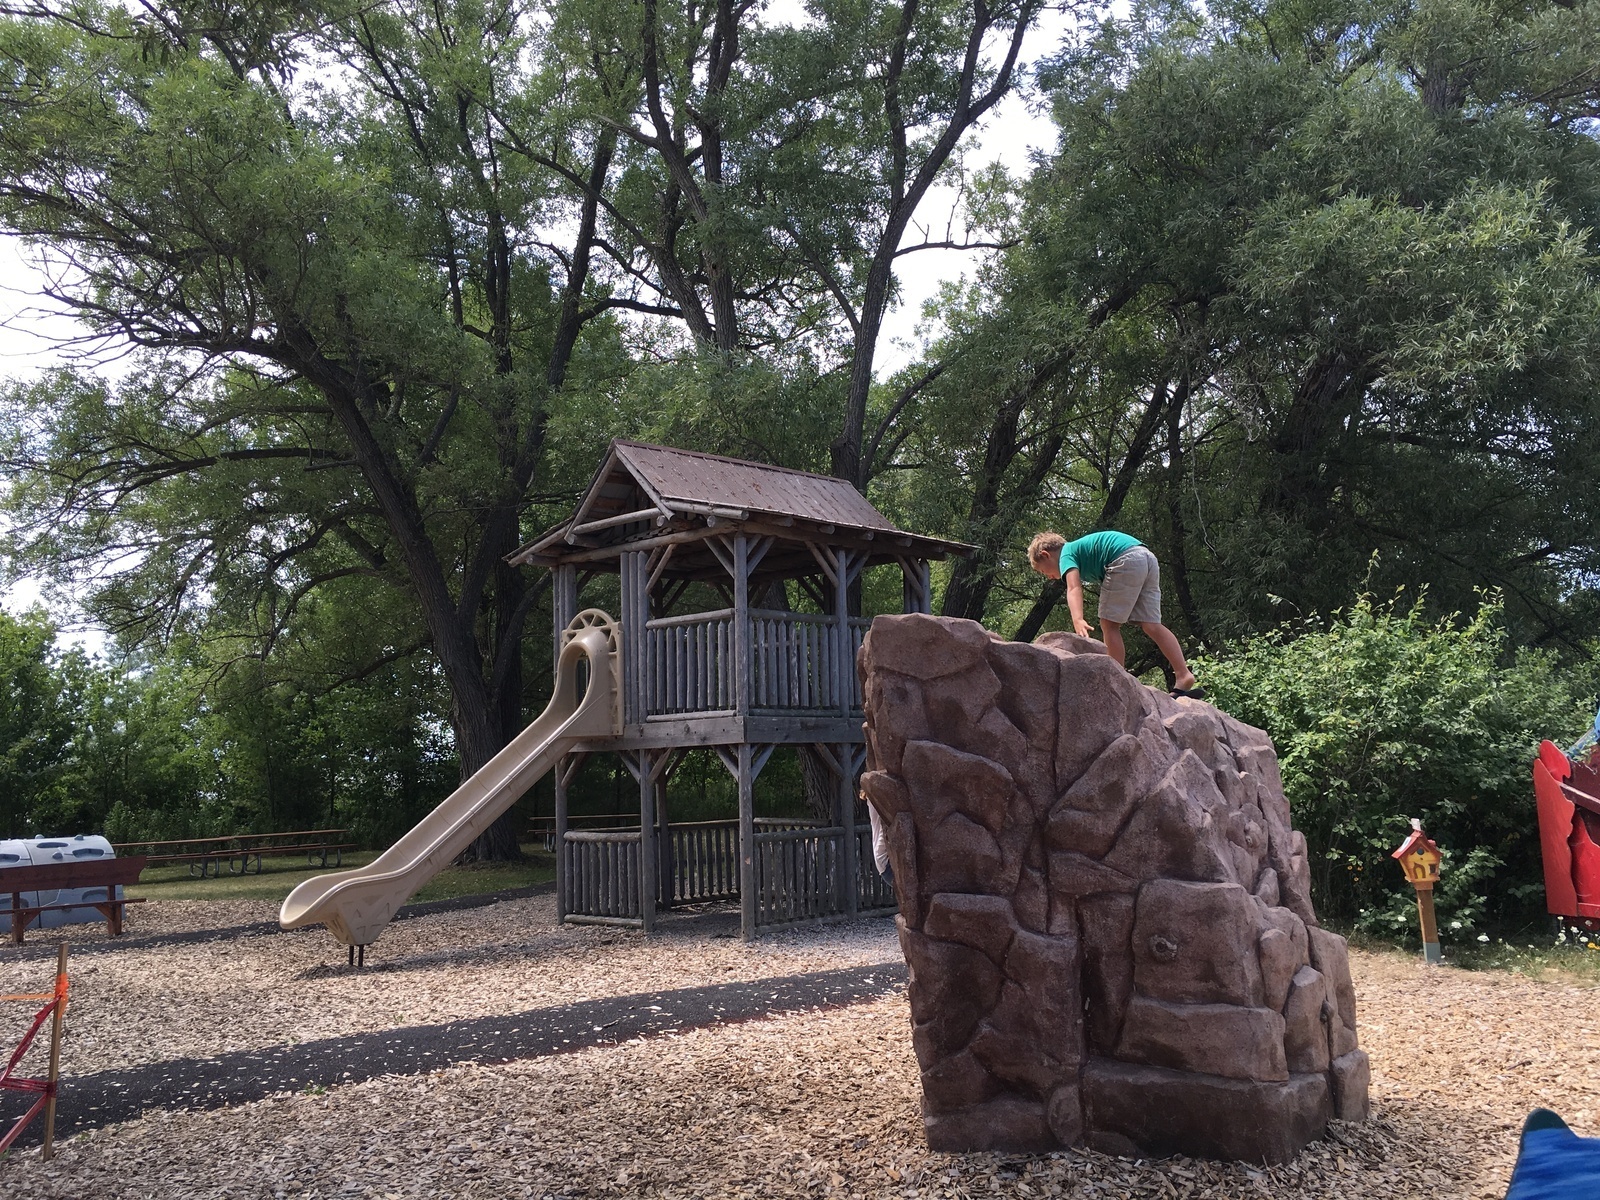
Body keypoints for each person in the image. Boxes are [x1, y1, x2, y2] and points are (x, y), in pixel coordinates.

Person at [1027, 529, 1206, 698]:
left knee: (1109, 624)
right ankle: (1183, 675)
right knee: (1151, 624)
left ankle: (1116, 678)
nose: (1049, 577)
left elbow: (1074, 587)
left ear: (1046, 555)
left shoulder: (1066, 553)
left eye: (1044, 571)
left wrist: (1078, 618)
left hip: (1125, 558)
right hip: (1146, 557)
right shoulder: (1078, 550)